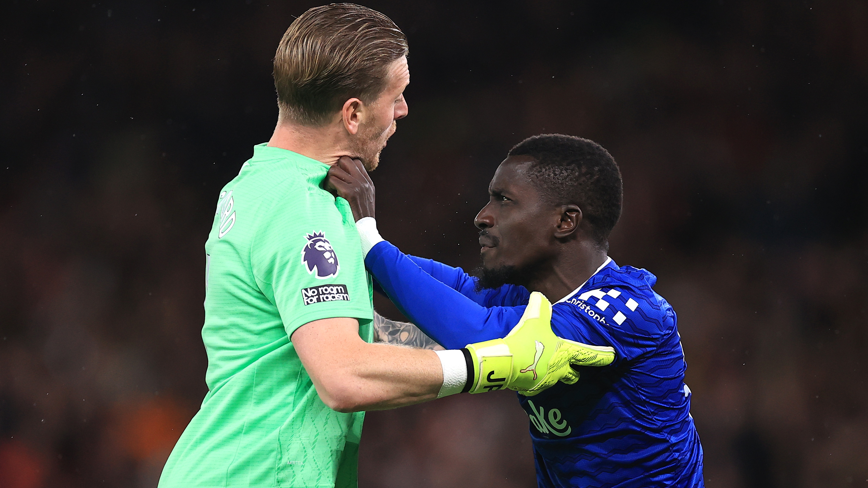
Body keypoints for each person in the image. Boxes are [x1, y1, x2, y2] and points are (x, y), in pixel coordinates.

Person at [158, 6, 615, 488]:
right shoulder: (304, 208)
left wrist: (506, 336)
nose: (403, 110)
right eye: (395, 96)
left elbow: (351, 336)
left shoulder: (257, 184)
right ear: (352, 113)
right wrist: (487, 365)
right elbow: (342, 374)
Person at [328, 133, 706, 487]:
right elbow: (457, 288)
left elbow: (481, 336)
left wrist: (368, 237)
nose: (483, 216)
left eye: (504, 200)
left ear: (565, 221)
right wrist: (349, 244)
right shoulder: (528, 296)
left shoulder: (623, 311)